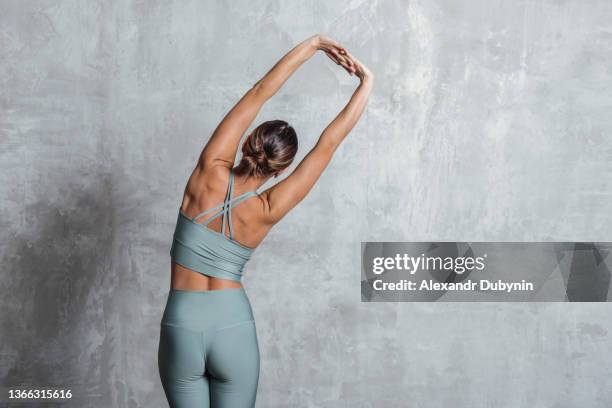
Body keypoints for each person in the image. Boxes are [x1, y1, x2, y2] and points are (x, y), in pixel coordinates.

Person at [158, 34, 373, 408]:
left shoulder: (208, 170)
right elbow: (328, 145)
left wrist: (316, 44)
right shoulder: (269, 207)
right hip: (233, 326)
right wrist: (367, 83)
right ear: (281, 169)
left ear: (247, 143)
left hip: (182, 323)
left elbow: (259, 92)